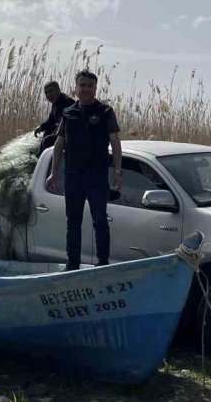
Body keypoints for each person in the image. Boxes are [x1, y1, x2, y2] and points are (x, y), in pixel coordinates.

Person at [45, 70, 122, 271]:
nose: (86, 89)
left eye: (90, 86)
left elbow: (115, 142)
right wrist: (53, 172)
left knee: (100, 221)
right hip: (73, 176)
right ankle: (72, 264)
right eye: (82, 85)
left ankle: (102, 264)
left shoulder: (105, 111)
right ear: (76, 88)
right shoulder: (68, 112)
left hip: (96, 176)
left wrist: (117, 172)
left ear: (95, 89)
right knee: (73, 222)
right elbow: (59, 143)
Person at [33, 81, 75, 156]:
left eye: (51, 91)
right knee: (47, 132)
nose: (48, 95)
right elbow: (51, 120)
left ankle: (43, 158)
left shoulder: (67, 102)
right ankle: (39, 156)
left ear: (58, 90)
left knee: (47, 140)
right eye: (46, 93)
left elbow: (63, 125)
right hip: (61, 133)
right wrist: (41, 127)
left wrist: (53, 134)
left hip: (69, 136)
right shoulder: (55, 103)